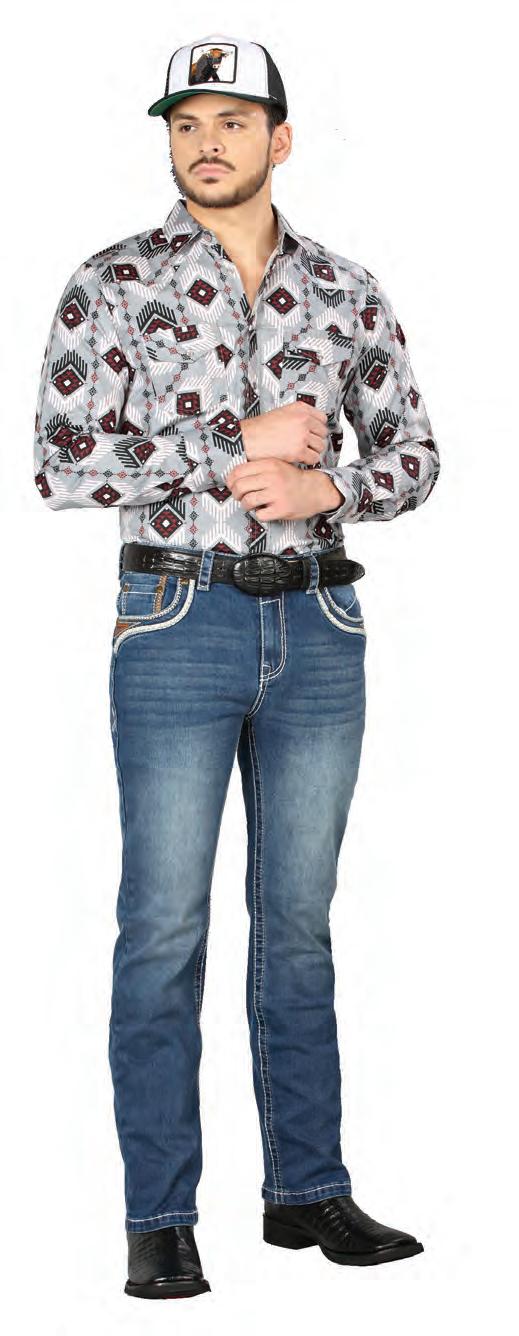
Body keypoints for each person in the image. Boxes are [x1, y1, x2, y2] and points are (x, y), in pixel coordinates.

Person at [34, 31, 440, 1300]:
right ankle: (160, 1215)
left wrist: (333, 485)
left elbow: (417, 455)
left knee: (300, 926)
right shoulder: (113, 280)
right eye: (185, 122)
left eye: (232, 120)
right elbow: (60, 462)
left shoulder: (347, 289)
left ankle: (307, 1191)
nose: (206, 143)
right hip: (176, 620)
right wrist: (230, 443)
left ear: (280, 137)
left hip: (319, 625)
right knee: (163, 924)